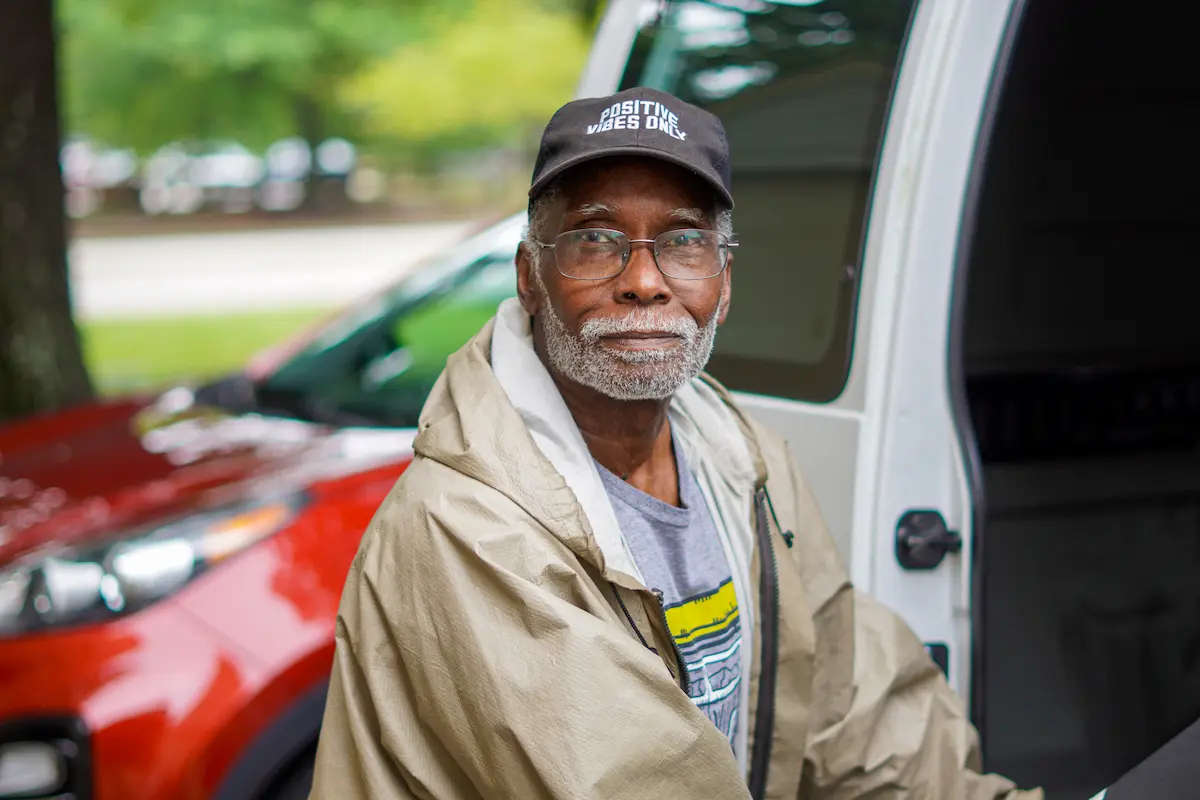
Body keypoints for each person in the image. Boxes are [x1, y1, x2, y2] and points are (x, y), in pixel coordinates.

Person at [309, 87, 1042, 799]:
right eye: (595, 239)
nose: (644, 281)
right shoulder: (462, 526)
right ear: (531, 277)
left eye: (684, 240)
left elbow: (852, 718)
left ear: (724, 281)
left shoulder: (743, 461)